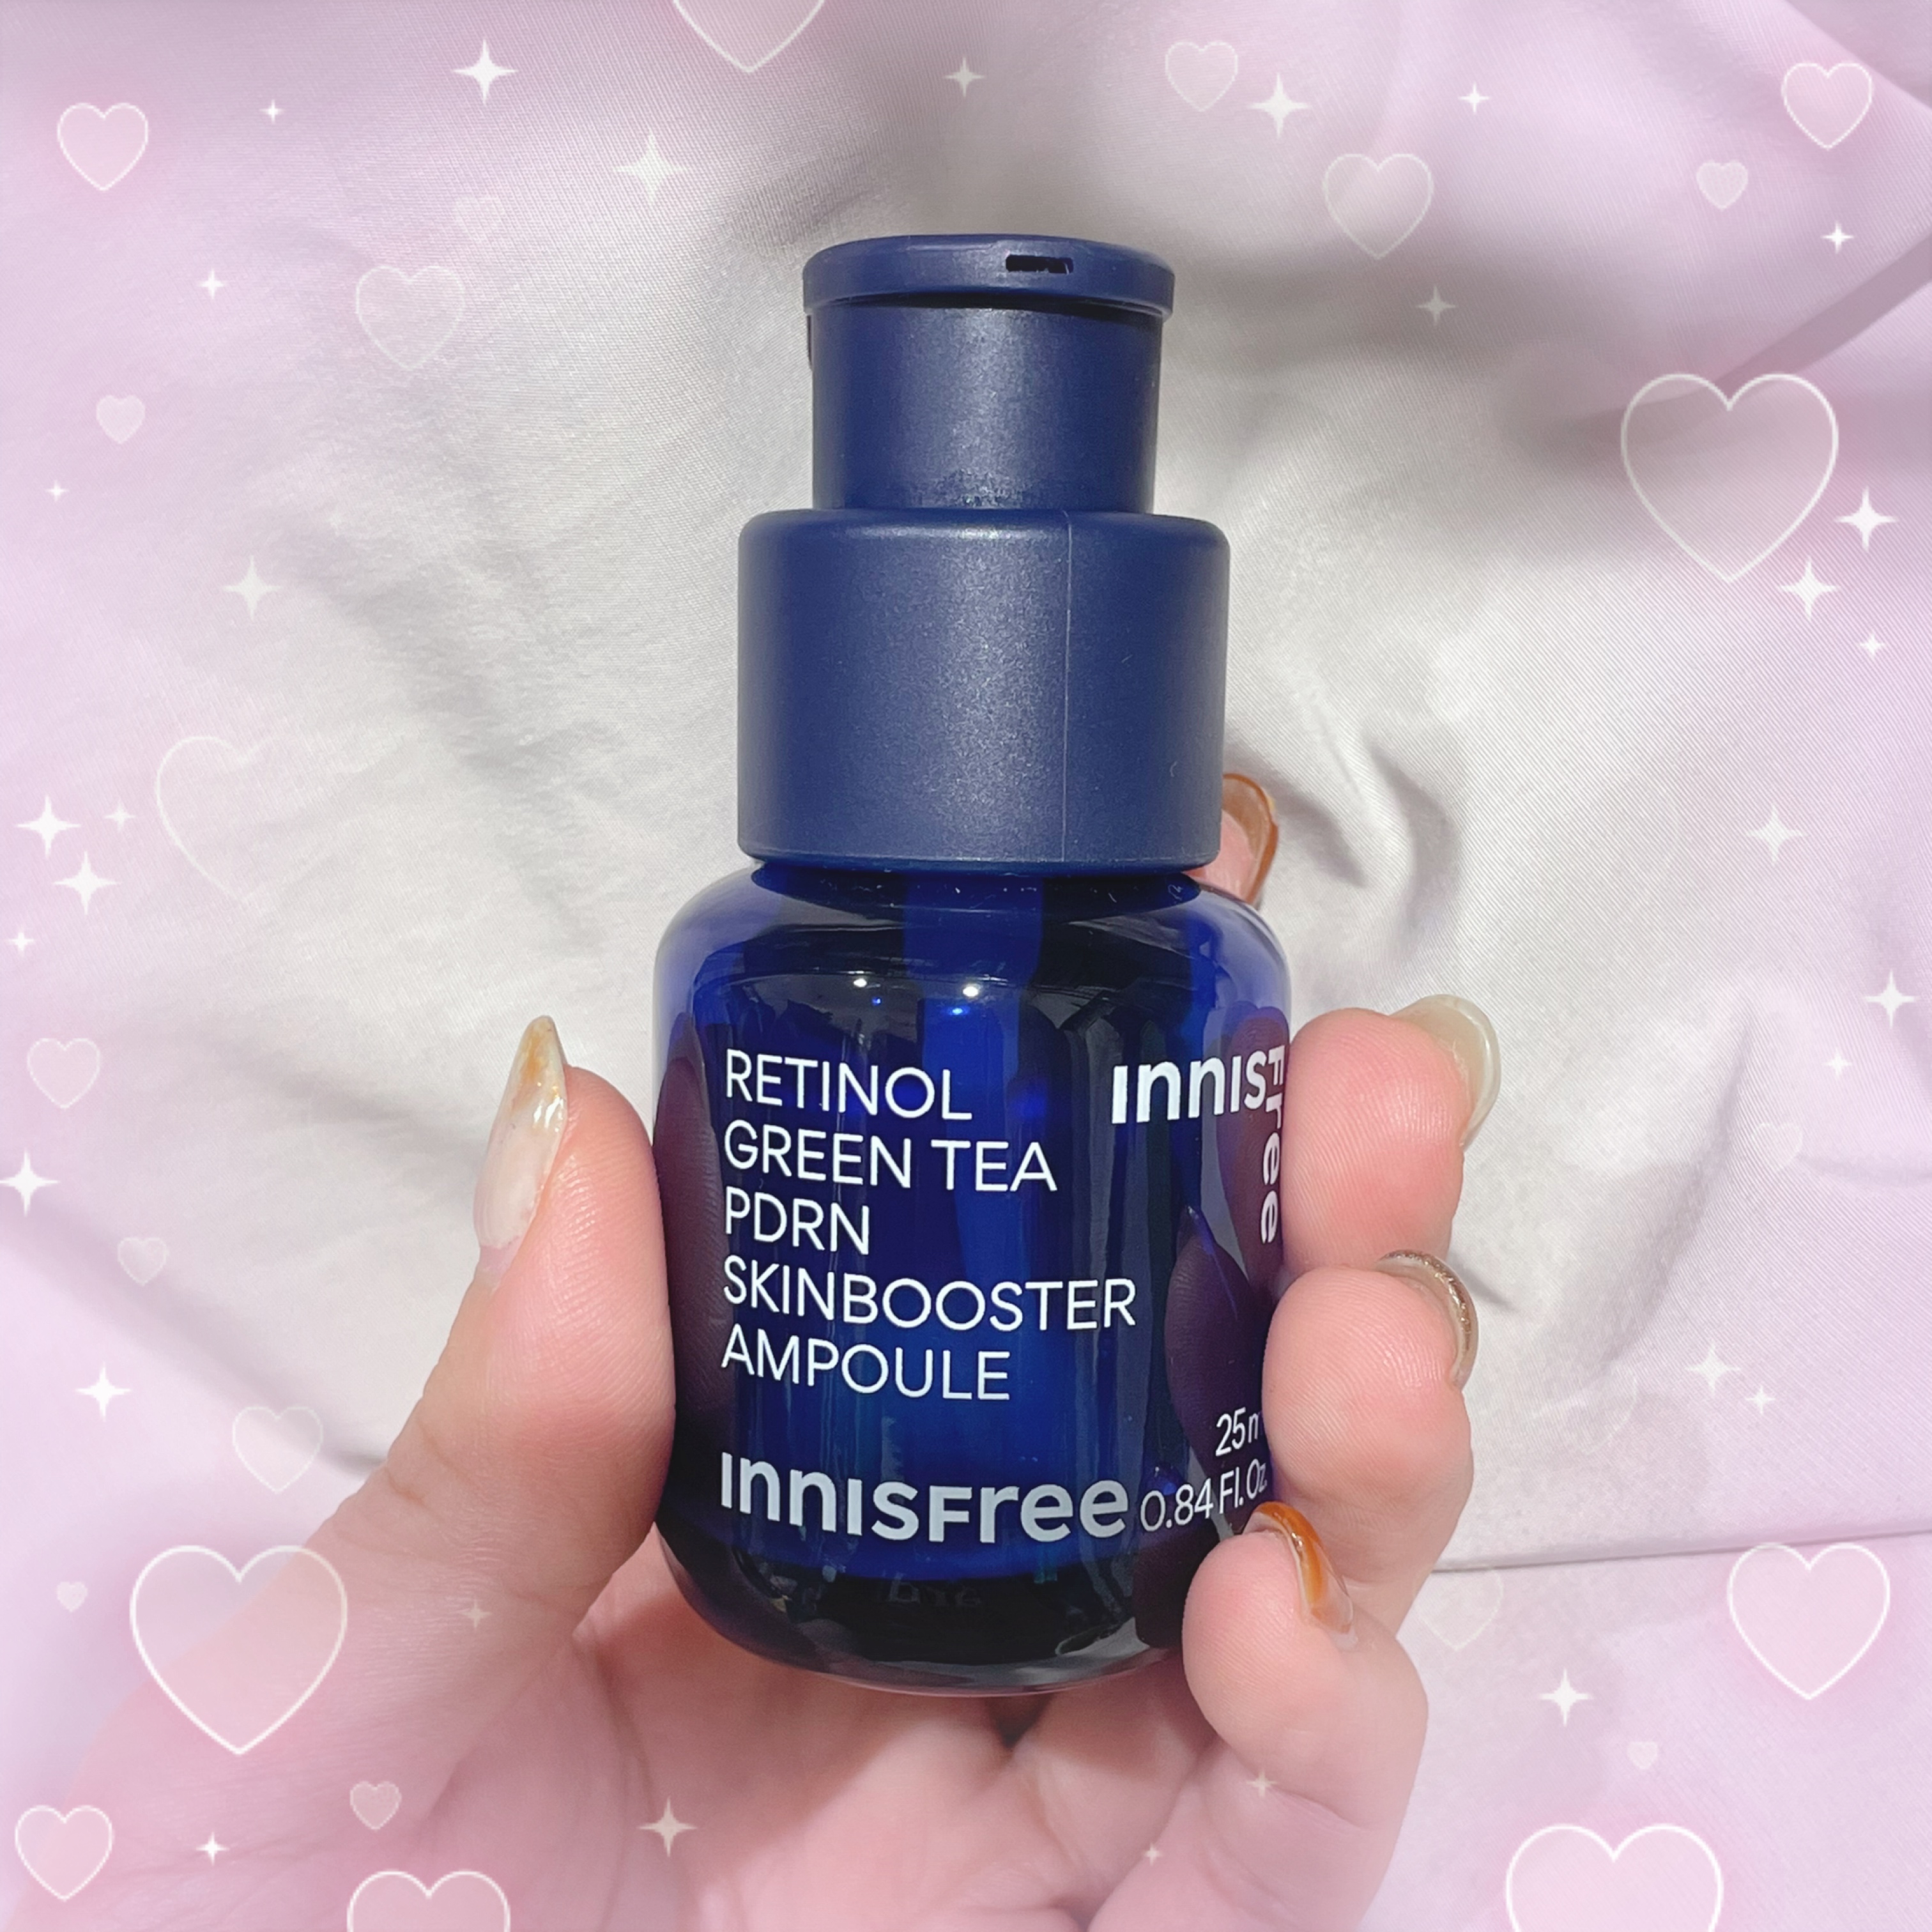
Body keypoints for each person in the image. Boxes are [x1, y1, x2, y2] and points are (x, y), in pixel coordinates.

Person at [20, 802, 1494, 1932]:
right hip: (737, 1627)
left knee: (1347, 1367)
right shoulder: (758, 965)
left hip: (1140, 1568)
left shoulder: (1191, 972)